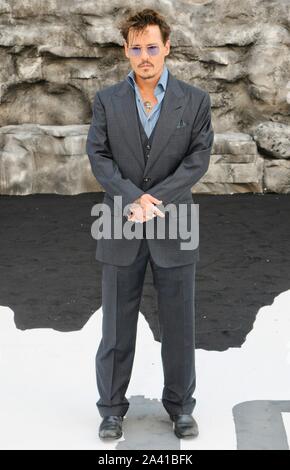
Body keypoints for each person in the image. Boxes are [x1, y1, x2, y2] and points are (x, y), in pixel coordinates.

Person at [86, 8, 214, 440]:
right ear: (125, 50)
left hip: (175, 218)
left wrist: (154, 198)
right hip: (119, 219)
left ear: (167, 48)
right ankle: (110, 410)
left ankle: (180, 407)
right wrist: (131, 197)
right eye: (136, 48)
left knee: (179, 324)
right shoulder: (106, 100)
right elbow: (99, 157)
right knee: (116, 327)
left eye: (152, 47)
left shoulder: (194, 101)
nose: (145, 56)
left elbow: (197, 159)